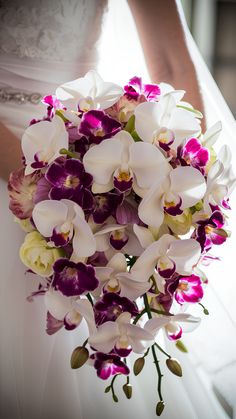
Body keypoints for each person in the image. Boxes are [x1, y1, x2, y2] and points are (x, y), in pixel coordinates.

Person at [0, 1, 234, 418]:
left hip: (88, 153)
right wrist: (49, 183)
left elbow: (171, 63)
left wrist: (182, 180)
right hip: (45, 167)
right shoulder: (80, 175)